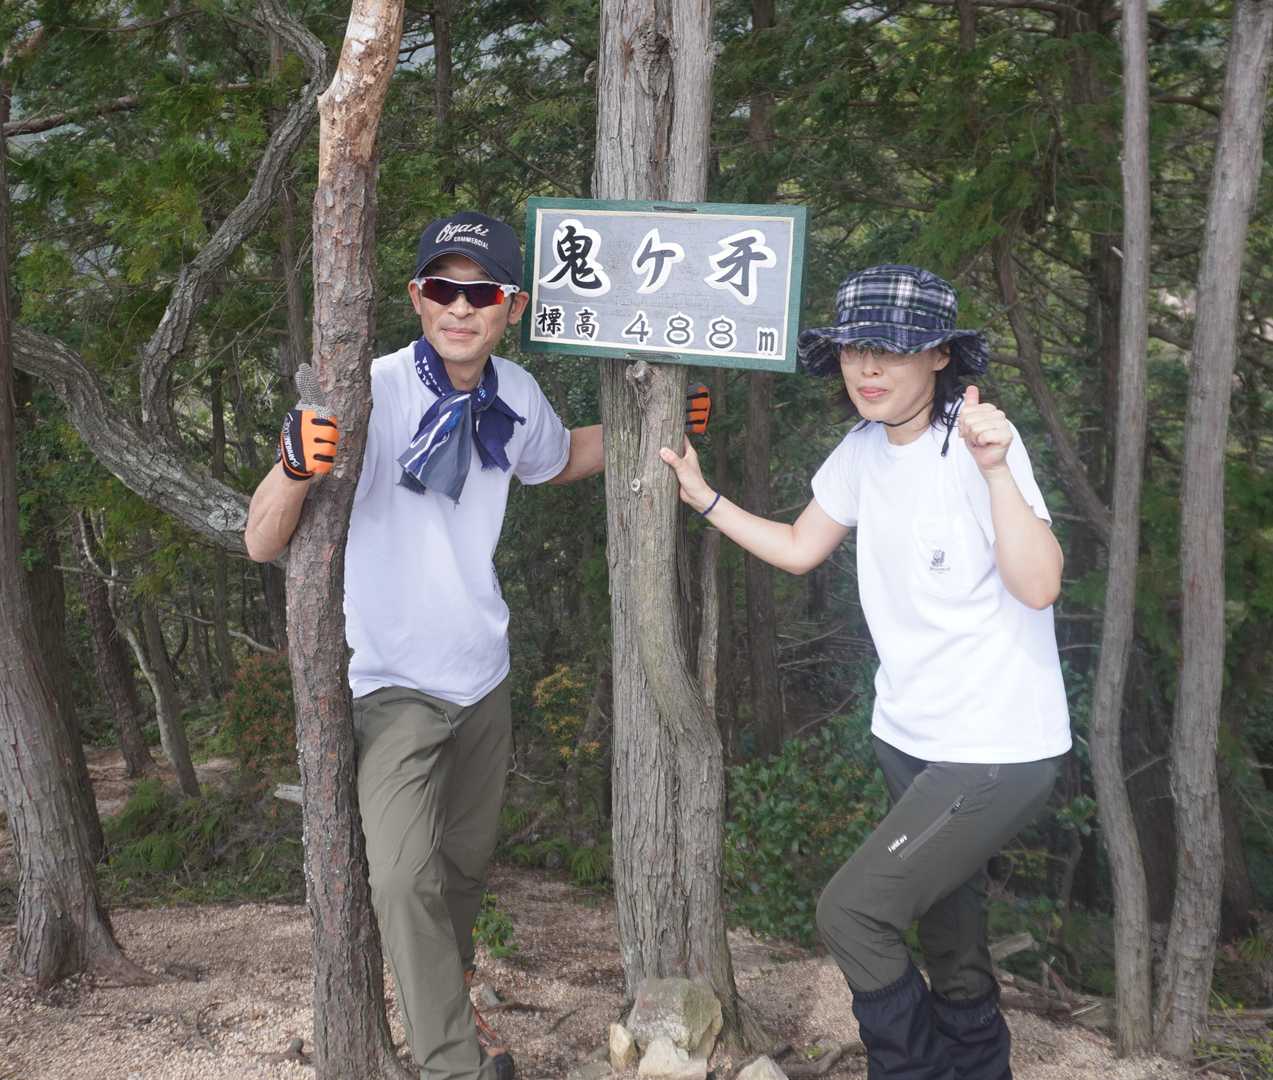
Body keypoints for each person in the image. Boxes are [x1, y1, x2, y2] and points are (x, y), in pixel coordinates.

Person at [660, 264, 1070, 1080]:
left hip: (994, 745)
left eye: (891, 349)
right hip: (909, 737)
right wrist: (703, 498)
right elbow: (798, 547)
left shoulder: (978, 445)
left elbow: (1038, 585)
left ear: (940, 356)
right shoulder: (860, 451)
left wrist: (995, 468)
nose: (867, 368)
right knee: (950, 932)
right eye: (853, 349)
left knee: (851, 914)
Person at [245, 211, 604, 1080]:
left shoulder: (515, 393)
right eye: (442, 288)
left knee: (463, 870)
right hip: (389, 683)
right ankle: (453, 1065)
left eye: (481, 293)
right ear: (416, 297)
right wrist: (291, 467)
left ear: (511, 307)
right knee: (404, 879)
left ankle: (454, 999)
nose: (459, 308)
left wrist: (664, 426)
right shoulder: (367, 391)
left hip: (482, 675)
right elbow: (261, 539)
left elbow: (557, 459)